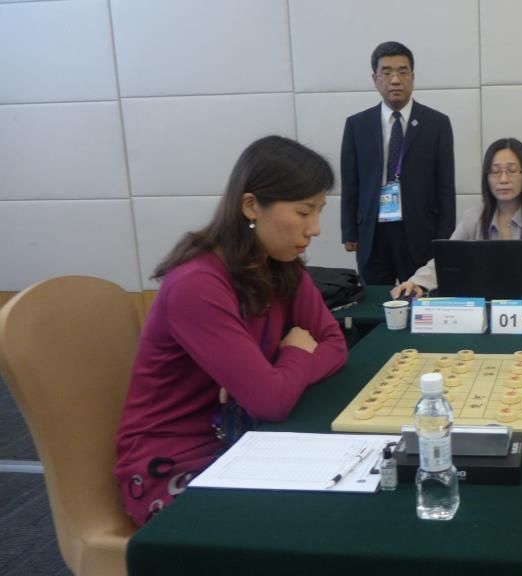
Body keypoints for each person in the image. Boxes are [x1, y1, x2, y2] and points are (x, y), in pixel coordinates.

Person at [114, 136, 349, 526]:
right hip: (176, 461)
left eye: (319, 211)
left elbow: (335, 345)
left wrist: (269, 375)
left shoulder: (281, 266)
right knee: (310, 524)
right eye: (304, 212)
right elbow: (270, 401)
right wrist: (291, 356)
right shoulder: (197, 284)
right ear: (251, 205)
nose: (316, 229)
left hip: (246, 439)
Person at [341, 41, 456, 285]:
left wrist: (445, 238)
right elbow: (350, 183)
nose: (395, 80)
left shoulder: (437, 124)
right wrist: (349, 230)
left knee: (418, 298)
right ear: (375, 79)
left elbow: (445, 186)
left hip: (419, 232)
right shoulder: (357, 125)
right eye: (386, 72)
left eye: (403, 72)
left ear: (412, 77)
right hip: (373, 233)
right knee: (375, 298)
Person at [391, 138, 522, 298]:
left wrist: (484, 275)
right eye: (495, 172)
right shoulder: (473, 216)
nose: (503, 179)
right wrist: (416, 282)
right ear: (486, 178)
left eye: (512, 171)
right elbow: (447, 260)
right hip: (482, 304)